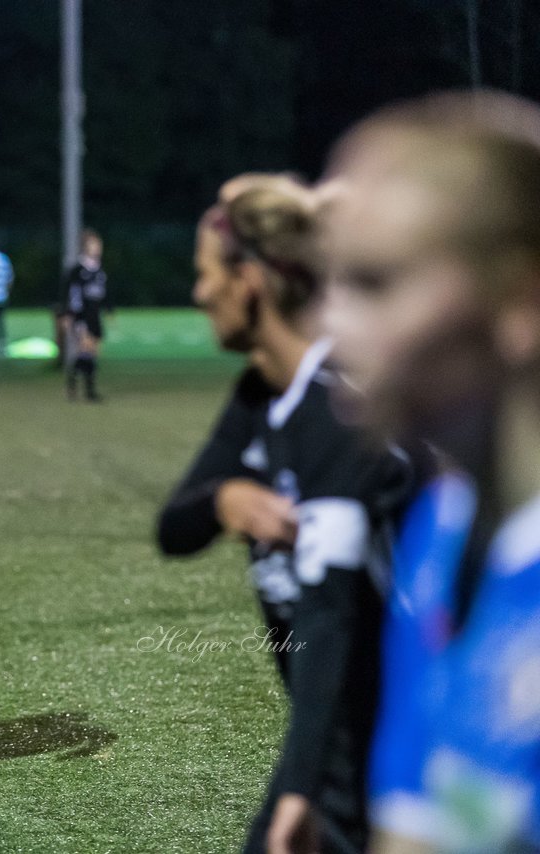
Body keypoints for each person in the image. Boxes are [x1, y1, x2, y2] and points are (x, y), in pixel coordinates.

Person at [161, 176, 412, 854]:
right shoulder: (261, 396)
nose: (198, 292)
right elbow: (172, 529)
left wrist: (300, 791)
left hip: (391, 744)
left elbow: (330, 617)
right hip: (335, 740)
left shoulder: (337, 412)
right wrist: (223, 499)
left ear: (249, 281)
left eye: (206, 273)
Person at [321, 90, 540, 853]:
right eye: (330, 280)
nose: (330, 326)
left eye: (375, 283)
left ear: (520, 298)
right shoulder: (442, 527)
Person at [59, 228, 109, 401]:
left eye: (99, 244)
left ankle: (80, 385)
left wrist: (109, 309)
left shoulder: (99, 270)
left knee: (92, 353)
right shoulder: (78, 270)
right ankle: (84, 389)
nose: (98, 248)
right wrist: (67, 314)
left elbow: (102, 294)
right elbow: (68, 293)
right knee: (85, 350)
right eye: (94, 245)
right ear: (85, 247)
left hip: (95, 316)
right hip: (81, 316)